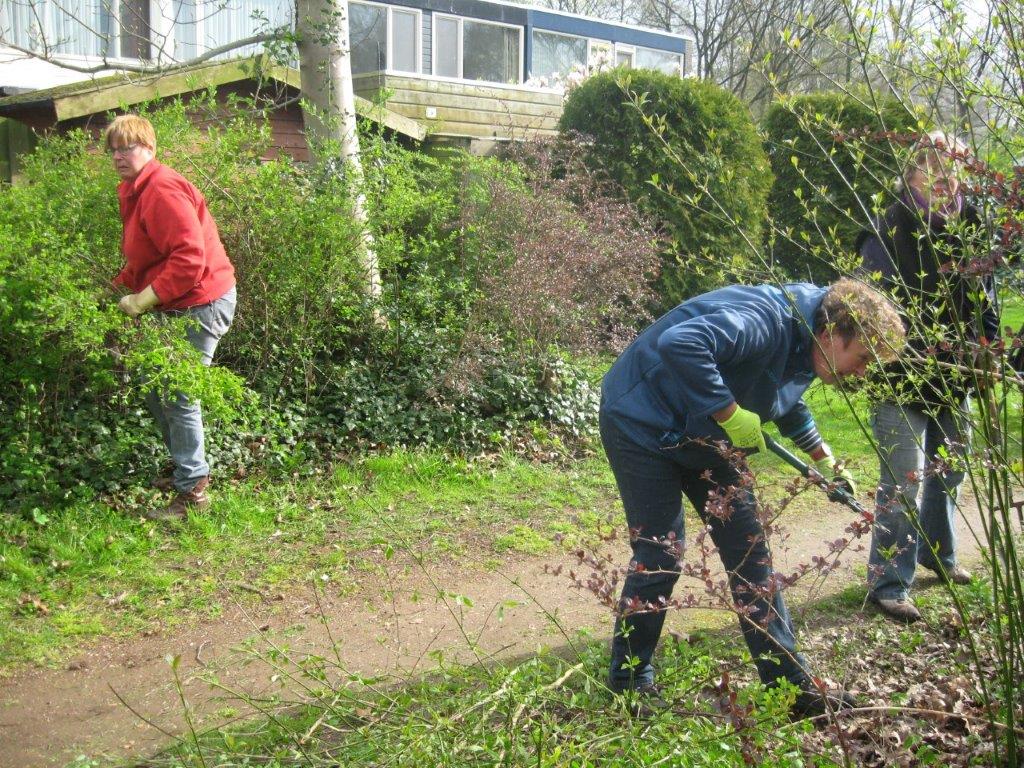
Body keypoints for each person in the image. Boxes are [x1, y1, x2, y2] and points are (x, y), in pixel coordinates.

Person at [600, 279, 905, 717]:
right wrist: (729, 413)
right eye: (862, 359)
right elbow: (681, 343)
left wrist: (823, 457)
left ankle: (791, 687)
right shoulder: (764, 320)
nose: (861, 373)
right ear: (831, 334)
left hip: (706, 431)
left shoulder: (806, 341)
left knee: (750, 552)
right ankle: (629, 681)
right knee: (661, 552)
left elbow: (783, 396)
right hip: (640, 422)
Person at [859, 131, 997, 623]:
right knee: (904, 480)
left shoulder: (972, 224)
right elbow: (874, 305)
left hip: (955, 374)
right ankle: (889, 583)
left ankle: (938, 554)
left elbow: (986, 294)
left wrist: (988, 348)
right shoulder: (888, 227)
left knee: (952, 468)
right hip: (900, 374)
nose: (943, 176)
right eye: (932, 166)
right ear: (912, 171)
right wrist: (915, 352)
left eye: (953, 166)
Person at [106, 114, 237, 521]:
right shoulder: (135, 190)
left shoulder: (161, 189)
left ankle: (193, 491)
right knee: (153, 387)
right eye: (113, 150)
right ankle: (186, 470)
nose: (119, 156)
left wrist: (141, 301)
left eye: (127, 148)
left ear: (149, 148)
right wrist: (116, 288)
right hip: (176, 302)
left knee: (177, 393)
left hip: (201, 302)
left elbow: (189, 260)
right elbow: (148, 255)